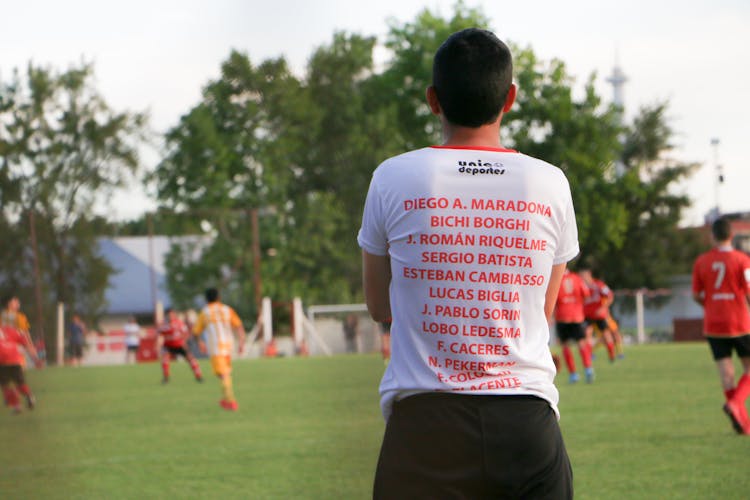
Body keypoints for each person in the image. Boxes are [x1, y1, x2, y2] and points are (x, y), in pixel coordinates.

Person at [358, 29, 577, 498]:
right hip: (526, 423)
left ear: (433, 100)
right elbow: (543, 309)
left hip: (424, 426)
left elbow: (379, 307)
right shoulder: (550, 183)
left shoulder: (393, 176)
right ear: (511, 98)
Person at [692, 217, 750, 435]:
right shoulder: (743, 260)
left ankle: (743, 422)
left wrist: (711, 304)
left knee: (726, 373)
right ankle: (736, 404)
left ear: (712, 236)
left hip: (714, 323)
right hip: (739, 321)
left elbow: (697, 295)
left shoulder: (702, 261)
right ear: (732, 236)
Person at [192, 288, 246, 411]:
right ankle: (226, 398)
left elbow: (195, 332)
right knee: (224, 373)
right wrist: (242, 341)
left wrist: (200, 343)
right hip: (229, 345)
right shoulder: (227, 309)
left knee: (223, 374)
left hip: (216, 347)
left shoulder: (205, 312)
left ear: (206, 299)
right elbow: (238, 325)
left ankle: (231, 401)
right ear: (219, 297)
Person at [554, 269, 594, 383]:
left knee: (565, 345)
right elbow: (586, 294)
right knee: (581, 343)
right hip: (577, 316)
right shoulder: (577, 278)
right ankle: (588, 369)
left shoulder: (556, 277)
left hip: (562, 316)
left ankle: (573, 374)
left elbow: (552, 297)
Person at [0, 325, 42, 414]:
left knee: (6, 385)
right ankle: (29, 397)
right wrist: (36, 359)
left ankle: (17, 405)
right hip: (15, 360)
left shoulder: (10, 330)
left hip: (3, 362)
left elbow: (26, 344)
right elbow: (26, 344)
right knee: (19, 383)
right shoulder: (11, 330)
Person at [580, 267, 617, 363]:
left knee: (606, 334)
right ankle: (589, 356)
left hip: (599, 315)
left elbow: (610, 296)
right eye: (581, 276)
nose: (583, 278)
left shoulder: (599, 285)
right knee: (587, 334)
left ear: (589, 275)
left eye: (584, 275)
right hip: (587, 315)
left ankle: (611, 354)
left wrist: (603, 308)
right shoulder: (582, 286)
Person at [157, 308, 203, 384]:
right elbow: (159, 333)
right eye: (168, 315)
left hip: (179, 345)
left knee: (191, 359)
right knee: (165, 359)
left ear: (174, 314)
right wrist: (158, 345)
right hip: (168, 345)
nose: (170, 316)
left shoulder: (179, 323)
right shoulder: (164, 324)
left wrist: (184, 341)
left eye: (171, 314)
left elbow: (186, 333)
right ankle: (166, 378)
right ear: (166, 315)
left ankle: (199, 376)